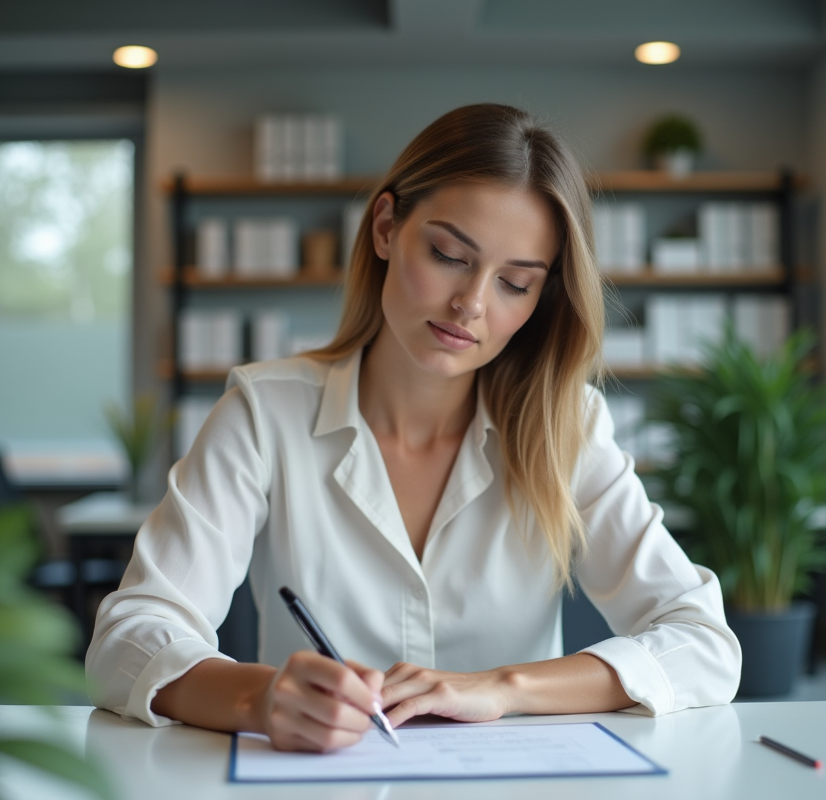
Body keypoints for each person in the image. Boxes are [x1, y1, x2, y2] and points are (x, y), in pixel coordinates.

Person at [86, 103, 741, 753]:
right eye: (449, 254)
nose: (472, 304)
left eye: (515, 283)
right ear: (385, 227)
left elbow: (703, 643)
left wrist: (504, 687)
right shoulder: (264, 413)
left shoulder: (567, 427)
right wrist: (256, 697)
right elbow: (128, 637)